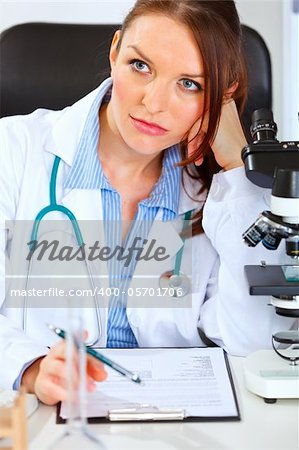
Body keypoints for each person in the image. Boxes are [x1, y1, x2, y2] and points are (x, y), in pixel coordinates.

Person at [0, 0, 293, 405]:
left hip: (184, 425)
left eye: (190, 84)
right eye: (141, 66)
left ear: (223, 96)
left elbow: (254, 340)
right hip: (49, 420)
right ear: (116, 50)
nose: (154, 103)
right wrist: (29, 365)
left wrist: (235, 173)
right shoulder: (13, 150)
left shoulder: (220, 191)